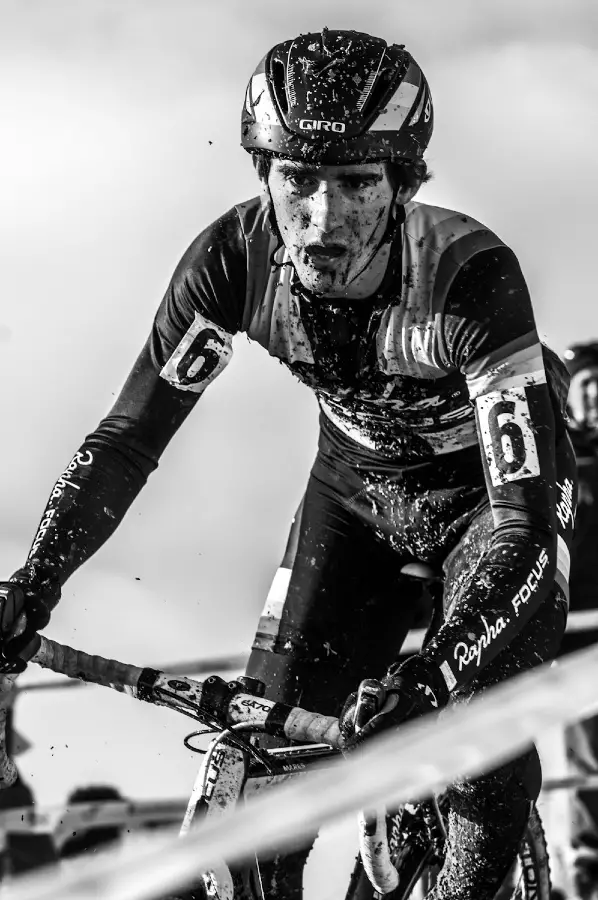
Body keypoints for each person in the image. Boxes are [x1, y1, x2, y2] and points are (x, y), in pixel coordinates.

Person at [0, 28, 577, 900]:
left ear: (403, 186)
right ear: (261, 174)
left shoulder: (469, 276)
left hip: (490, 515)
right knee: (258, 769)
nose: (320, 218)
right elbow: (128, 441)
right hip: (352, 497)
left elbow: (527, 526)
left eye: (354, 184)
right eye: (296, 179)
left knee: (477, 748)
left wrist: (443, 670)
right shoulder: (232, 261)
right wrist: (33, 583)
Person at [562, 343, 598, 900]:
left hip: (593, 631)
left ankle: (590, 856)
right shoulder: (558, 454)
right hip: (560, 623)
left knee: (592, 747)